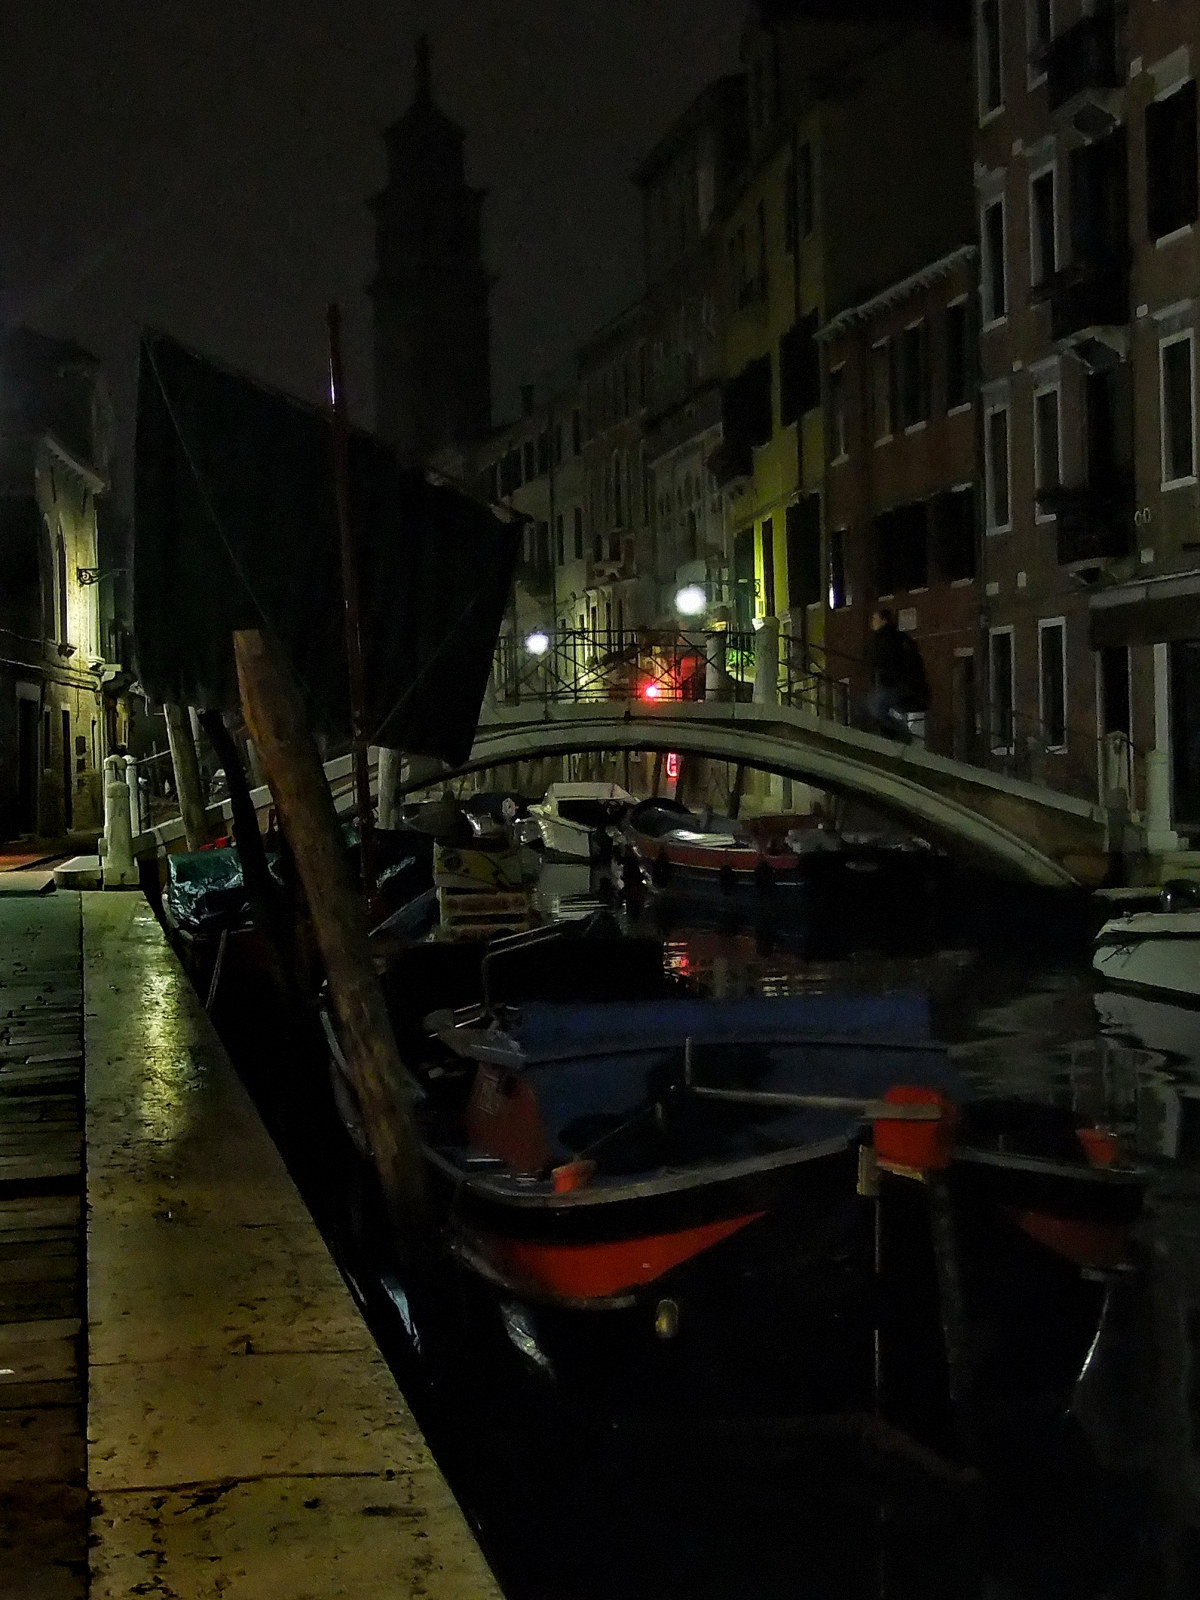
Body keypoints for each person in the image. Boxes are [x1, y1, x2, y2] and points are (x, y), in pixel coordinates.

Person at [864, 608, 929, 741]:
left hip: (899, 684)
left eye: (875, 619)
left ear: (883, 621)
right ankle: (895, 735)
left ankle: (902, 735)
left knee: (876, 708)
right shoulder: (898, 638)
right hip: (904, 684)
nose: (872, 623)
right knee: (875, 707)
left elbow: (885, 662)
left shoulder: (886, 639)